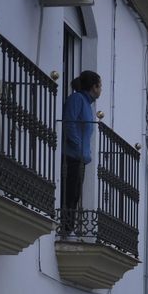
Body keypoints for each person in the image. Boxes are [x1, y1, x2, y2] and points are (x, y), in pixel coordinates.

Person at [62, 70, 101, 215]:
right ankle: (66, 227)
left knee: (75, 195)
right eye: (100, 86)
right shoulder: (77, 99)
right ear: (94, 87)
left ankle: (69, 227)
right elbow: (69, 122)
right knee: (70, 194)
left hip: (80, 158)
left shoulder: (87, 104)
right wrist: (77, 144)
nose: (100, 90)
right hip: (72, 156)